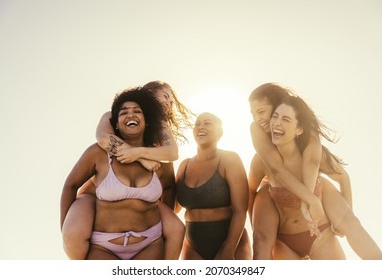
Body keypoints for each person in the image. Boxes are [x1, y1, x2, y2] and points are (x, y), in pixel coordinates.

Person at [61, 81, 194, 259]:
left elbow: (171, 158)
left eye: (170, 100)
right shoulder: (112, 118)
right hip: (95, 196)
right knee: (73, 233)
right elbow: (102, 138)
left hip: (146, 236)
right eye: (164, 96)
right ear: (148, 96)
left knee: (177, 229)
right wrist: (141, 158)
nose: (168, 104)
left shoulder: (159, 130)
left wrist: (139, 155)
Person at [249, 89, 382, 259]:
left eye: (285, 119)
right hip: (284, 239)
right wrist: (256, 225)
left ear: (299, 129)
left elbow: (343, 178)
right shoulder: (262, 160)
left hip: (320, 235)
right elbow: (252, 189)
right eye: (275, 116)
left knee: (352, 224)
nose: (275, 122)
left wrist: (341, 220)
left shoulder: (313, 150)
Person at [175, 112, 252, 260]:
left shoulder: (230, 159)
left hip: (231, 243)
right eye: (197, 124)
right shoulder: (184, 165)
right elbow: (173, 208)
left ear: (219, 132)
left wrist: (229, 249)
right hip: (192, 245)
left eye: (207, 123)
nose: (201, 127)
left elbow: (240, 210)